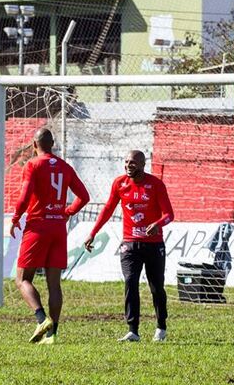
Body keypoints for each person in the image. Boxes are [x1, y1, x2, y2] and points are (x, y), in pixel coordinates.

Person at [85, 150, 174, 343]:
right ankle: (133, 330)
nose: (128, 165)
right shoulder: (119, 184)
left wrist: (157, 224)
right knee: (130, 282)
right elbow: (108, 209)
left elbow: (169, 215)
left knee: (156, 287)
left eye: (132, 162)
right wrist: (93, 233)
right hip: (130, 244)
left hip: (154, 244)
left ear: (143, 164)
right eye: (126, 162)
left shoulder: (155, 185)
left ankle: (161, 327)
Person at [11, 128, 89, 344]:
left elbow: (25, 195)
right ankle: (53, 335)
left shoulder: (33, 165)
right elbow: (84, 197)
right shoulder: (65, 167)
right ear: (52, 144)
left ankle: (41, 318)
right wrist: (66, 213)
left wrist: (16, 216)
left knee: (22, 279)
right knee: (54, 284)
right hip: (57, 229)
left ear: (34, 145)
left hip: (38, 227)